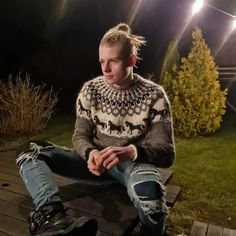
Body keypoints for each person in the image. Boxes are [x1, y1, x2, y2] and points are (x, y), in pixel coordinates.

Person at [16, 23, 175, 236]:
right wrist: (90, 153)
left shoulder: (154, 95)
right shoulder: (90, 91)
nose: (105, 69)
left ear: (131, 61)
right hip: (93, 164)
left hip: (134, 166)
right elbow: (80, 135)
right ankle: (53, 217)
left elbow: (166, 152)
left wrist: (132, 151)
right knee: (30, 151)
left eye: (113, 61)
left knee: (151, 195)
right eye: (102, 61)